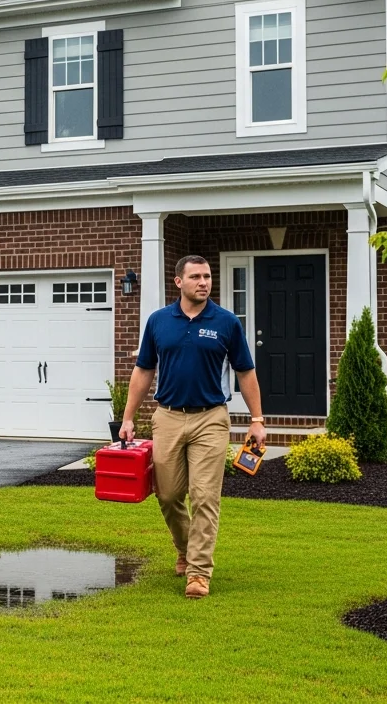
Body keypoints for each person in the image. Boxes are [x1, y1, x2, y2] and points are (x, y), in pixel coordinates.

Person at [119, 255, 264, 600]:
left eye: (208, 276)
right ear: (178, 282)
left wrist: (257, 420)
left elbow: (245, 371)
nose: (204, 282)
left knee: (204, 497)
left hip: (211, 418)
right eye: (196, 276)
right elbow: (143, 370)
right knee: (168, 496)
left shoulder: (226, 322)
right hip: (167, 416)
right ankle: (185, 549)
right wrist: (127, 417)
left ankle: (199, 573)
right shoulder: (158, 322)